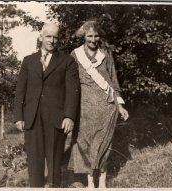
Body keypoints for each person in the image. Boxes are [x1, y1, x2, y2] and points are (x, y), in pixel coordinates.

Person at [13, 23, 80, 187]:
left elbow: (73, 91)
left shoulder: (67, 61)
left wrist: (69, 116)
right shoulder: (28, 61)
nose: (52, 40)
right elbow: (20, 90)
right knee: (34, 162)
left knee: (55, 163)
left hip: (56, 119)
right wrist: (18, 117)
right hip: (32, 118)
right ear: (41, 37)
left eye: (55, 37)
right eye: (48, 36)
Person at [69, 20, 129, 188]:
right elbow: (70, 81)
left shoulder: (106, 54)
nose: (93, 39)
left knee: (104, 144)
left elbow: (113, 80)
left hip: (106, 106)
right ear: (83, 36)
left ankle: (101, 183)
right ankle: (90, 184)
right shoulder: (75, 55)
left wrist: (120, 105)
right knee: (85, 145)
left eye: (96, 36)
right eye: (89, 36)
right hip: (84, 109)